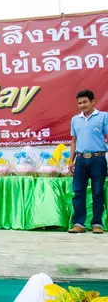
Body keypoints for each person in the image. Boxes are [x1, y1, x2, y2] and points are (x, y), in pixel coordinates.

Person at [68, 89, 108, 234]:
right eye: (79, 103)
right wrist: (70, 161)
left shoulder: (103, 117)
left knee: (97, 192)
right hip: (80, 160)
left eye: (85, 102)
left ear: (92, 102)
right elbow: (73, 141)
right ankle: (79, 224)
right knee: (78, 192)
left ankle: (97, 224)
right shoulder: (75, 120)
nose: (82, 105)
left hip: (98, 159)